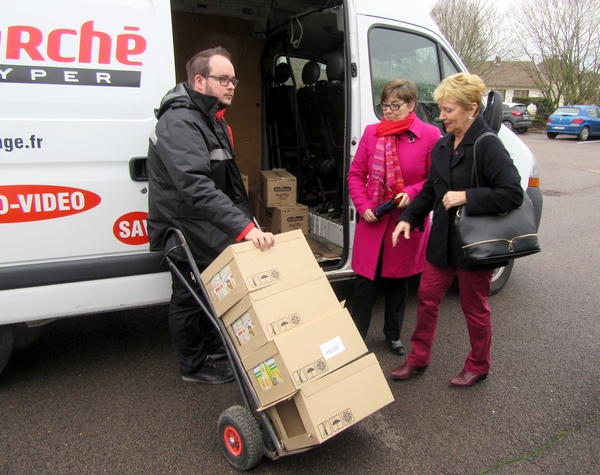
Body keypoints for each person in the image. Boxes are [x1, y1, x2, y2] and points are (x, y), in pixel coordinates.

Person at [147, 47, 275, 384]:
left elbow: (229, 181)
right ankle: (193, 366)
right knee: (189, 296)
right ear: (200, 81)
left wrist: (247, 222)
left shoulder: (212, 118)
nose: (232, 85)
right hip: (184, 227)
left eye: (234, 79)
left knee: (213, 290)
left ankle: (217, 348)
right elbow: (194, 186)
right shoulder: (179, 121)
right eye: (223, 79)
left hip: (205, 224)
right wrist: (243, 227)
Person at [389, 73, 523, 387]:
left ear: (471, 109)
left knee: (473, 306)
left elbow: (513, 193)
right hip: (442, 242)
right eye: (441, 109)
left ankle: (479, 364)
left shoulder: (488, 145)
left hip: (474, 244)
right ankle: (418, 358)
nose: (441, 116)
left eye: (448, 110)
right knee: (426, 297)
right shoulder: (442, 146)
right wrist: (408, 218)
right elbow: (431, 191)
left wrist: (468, 196)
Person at [347, 79, 440, 355]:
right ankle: (355, 336)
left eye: (395, 106)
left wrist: (412, 192)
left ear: (411, 104)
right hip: (374, 220)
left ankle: (393, 334)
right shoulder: (372, 133)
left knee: (400, 283)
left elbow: (433, 179)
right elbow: (355, 174)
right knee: (365, 285)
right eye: (384, 105)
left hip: (407, 221)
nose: (388, 111)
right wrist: (363, 206)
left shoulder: (430, 135)